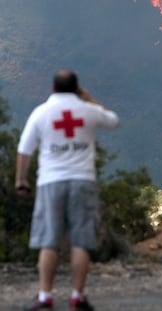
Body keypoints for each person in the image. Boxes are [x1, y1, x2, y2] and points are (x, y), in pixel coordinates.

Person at [15, 69, 119, 311]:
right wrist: (89, 99)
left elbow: (24, 150)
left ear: (52, 88)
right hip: (83, 181)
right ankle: (77, 296)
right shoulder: (88, 111)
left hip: (50, 182)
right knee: (81, 241)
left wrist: (21, 180)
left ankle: (45, 297)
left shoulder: (41, 113)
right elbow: (113, 120)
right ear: (77, 89)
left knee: (49, 241)